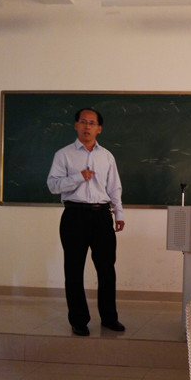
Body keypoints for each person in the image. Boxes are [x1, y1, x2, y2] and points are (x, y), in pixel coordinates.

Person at [47, 108, 126, 336]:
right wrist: (78, 177)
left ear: (99, 128)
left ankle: (109, 317)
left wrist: (119, 214)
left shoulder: (107, 156)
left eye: (92, 123)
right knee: (73, 269)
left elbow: (115, 187)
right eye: (83, 122)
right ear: (76, 125)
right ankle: (78, 320)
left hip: (102, 215)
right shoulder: (63, 155)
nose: (87, 126)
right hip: (74, 215)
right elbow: (53, 185)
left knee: (106, 269)